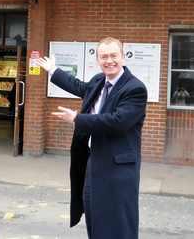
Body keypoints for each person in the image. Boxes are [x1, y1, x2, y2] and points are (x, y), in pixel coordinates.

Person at [36, 37, 147, 239]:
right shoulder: (98, 81)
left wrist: (78, 119)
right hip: (92, 165)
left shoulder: (134, 89)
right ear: (98, 60)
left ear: (123, 57)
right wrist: (53, 70)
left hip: (117, 172)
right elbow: (77, 85)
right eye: (104, 57)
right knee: (96, 222)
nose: (109, 61)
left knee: (118, 225)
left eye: (114, 55)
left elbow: (117, 122)